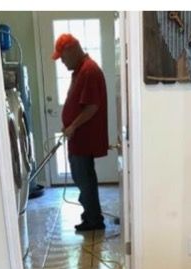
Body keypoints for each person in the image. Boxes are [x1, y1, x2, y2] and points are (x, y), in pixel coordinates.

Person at [52, 33, 108, 232]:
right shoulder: (80, 70)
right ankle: (90, 216)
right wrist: (69, 124)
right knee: (82, 179)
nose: (63, 62)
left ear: (71, 50)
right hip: (77, 139)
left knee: (85, 180)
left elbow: (92, 106)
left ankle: (94, 220)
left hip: (83, 140)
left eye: (63, 58)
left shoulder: (88, 71)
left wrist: (73, 126)